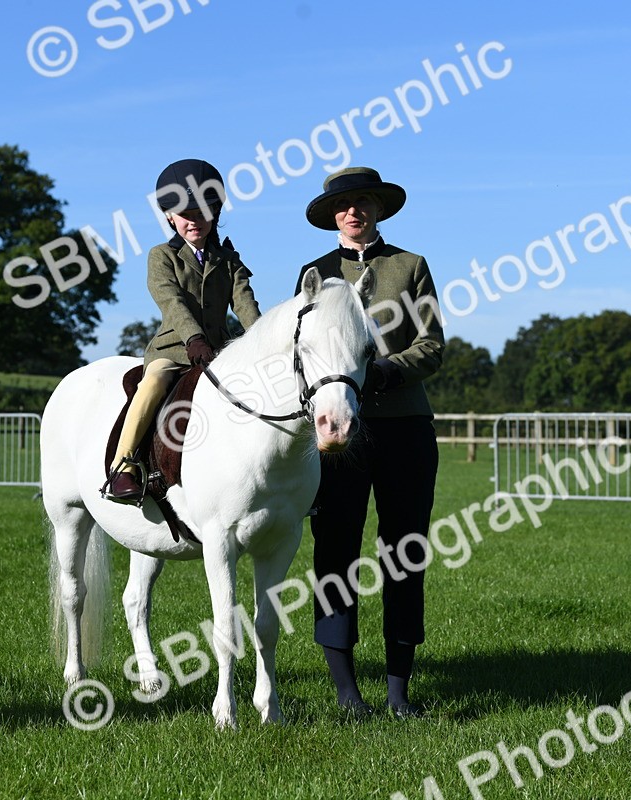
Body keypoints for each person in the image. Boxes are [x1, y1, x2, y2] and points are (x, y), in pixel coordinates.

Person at [294, 166, 445, 717]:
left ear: (377, 209)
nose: (354, 212)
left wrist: (383, 373)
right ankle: (346, 691)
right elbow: (301, 354)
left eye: (363, 202)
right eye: (344, 205)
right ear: (333, 215)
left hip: (404, 427)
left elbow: (431, 346)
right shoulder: (314, 274)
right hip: (339, 431)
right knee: (335, 551)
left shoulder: (411, 267)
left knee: (404, 553)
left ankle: (399, 692)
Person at [102, 159, 261, 503]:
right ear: (170, 217)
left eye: (203, 211)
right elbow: (171, 300)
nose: (194, 220)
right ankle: (124, 466)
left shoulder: (229, 260)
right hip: (175, 350)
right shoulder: (162, 256)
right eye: (185, 214)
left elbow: (245, 302)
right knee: (153, 383)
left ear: (215, 213)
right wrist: (194, 338)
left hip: (219, 351)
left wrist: (262, 339)